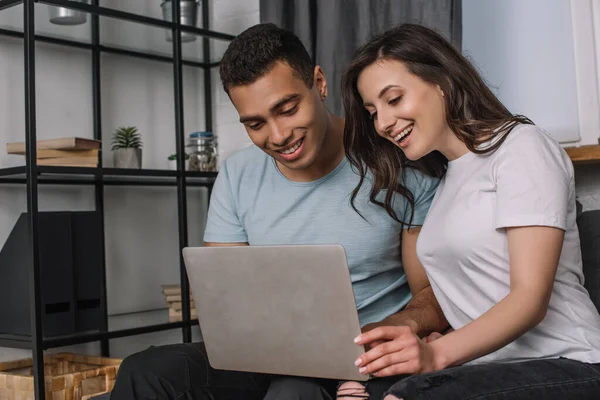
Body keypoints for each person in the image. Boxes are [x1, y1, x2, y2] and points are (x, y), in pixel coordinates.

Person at [110, 23, 449, 400]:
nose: (277, 136)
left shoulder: (398, 162)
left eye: (287, 110)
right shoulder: (238, 174)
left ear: (318, 84)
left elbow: (433, 292)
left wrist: (394, 329)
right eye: (255, 124)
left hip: (365, 360)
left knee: (293, 392)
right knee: (144, 370)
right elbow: (226, 299)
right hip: (268, 356)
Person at [337, 23, 600, 399]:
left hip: (571, 361)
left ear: (442, 81)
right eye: (372, 111)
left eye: (393, 99)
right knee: (354, 390)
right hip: (485, 368)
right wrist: (416, 339)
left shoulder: (521, 147)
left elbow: (530, 300)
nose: (382, 123)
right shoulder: (444, 182)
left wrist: (435, 355)